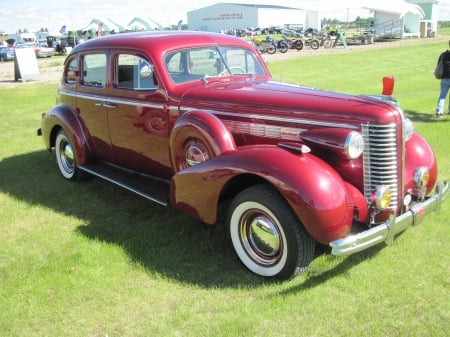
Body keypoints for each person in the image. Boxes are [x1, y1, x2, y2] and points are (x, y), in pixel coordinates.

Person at [435, 40, 450, 117]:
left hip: (444, 78)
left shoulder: (443, 55)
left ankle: (439, 111)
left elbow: (438, 65)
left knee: (442, 96)